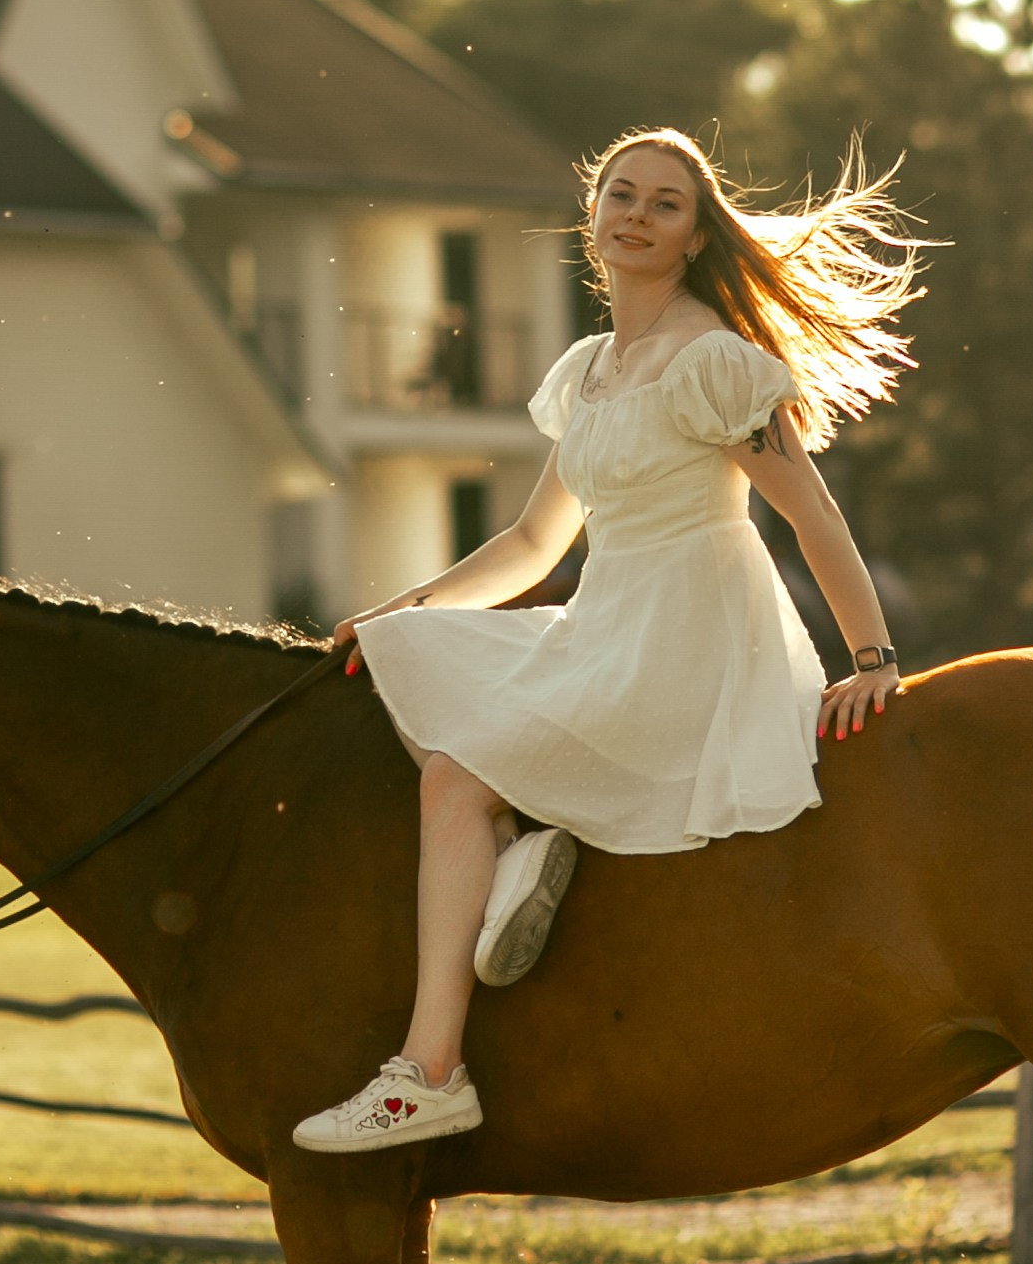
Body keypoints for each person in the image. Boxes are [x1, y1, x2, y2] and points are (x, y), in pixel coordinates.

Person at [292, 127, 924, 1151]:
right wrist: (404, 608)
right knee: (407, 660)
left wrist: (871, 659)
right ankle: (509, 869)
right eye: (620, 195)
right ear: (591, 220)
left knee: (452, 775)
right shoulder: (589, 367)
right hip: (604, 621)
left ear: (691, 236)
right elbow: (536, 540)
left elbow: (814, 517)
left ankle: (430, 1073)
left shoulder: (714, 361)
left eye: (664, 203)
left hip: (692, 634)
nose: (636, 213)